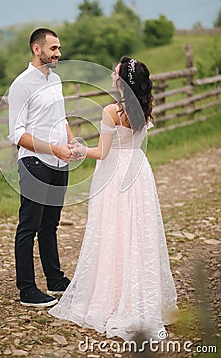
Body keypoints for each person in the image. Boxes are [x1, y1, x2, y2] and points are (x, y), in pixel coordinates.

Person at [49, 56, 178, 340]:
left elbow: (103, 152)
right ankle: (139, 297)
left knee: (113, 232)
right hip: (139, 172)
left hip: (115, 175)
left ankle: (112, 297)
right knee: (138, 233)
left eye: (115, 72)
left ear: (122, 81)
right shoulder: (143, 109)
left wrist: (81, 150)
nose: (111, 75)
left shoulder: (111, 111)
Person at [8, 27, 78, 307]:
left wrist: (71, 143)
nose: (58, 53)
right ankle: (27, 290)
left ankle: (56, 280)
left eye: (59, 48)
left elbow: (60, 118)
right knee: (29, 226)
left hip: (60, 162)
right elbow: (17, 134)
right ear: (37, 50)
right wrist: (52, 149)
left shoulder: (57, 79)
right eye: (53, 49)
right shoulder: (22, 84)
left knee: (50, 224)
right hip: (35, 162)